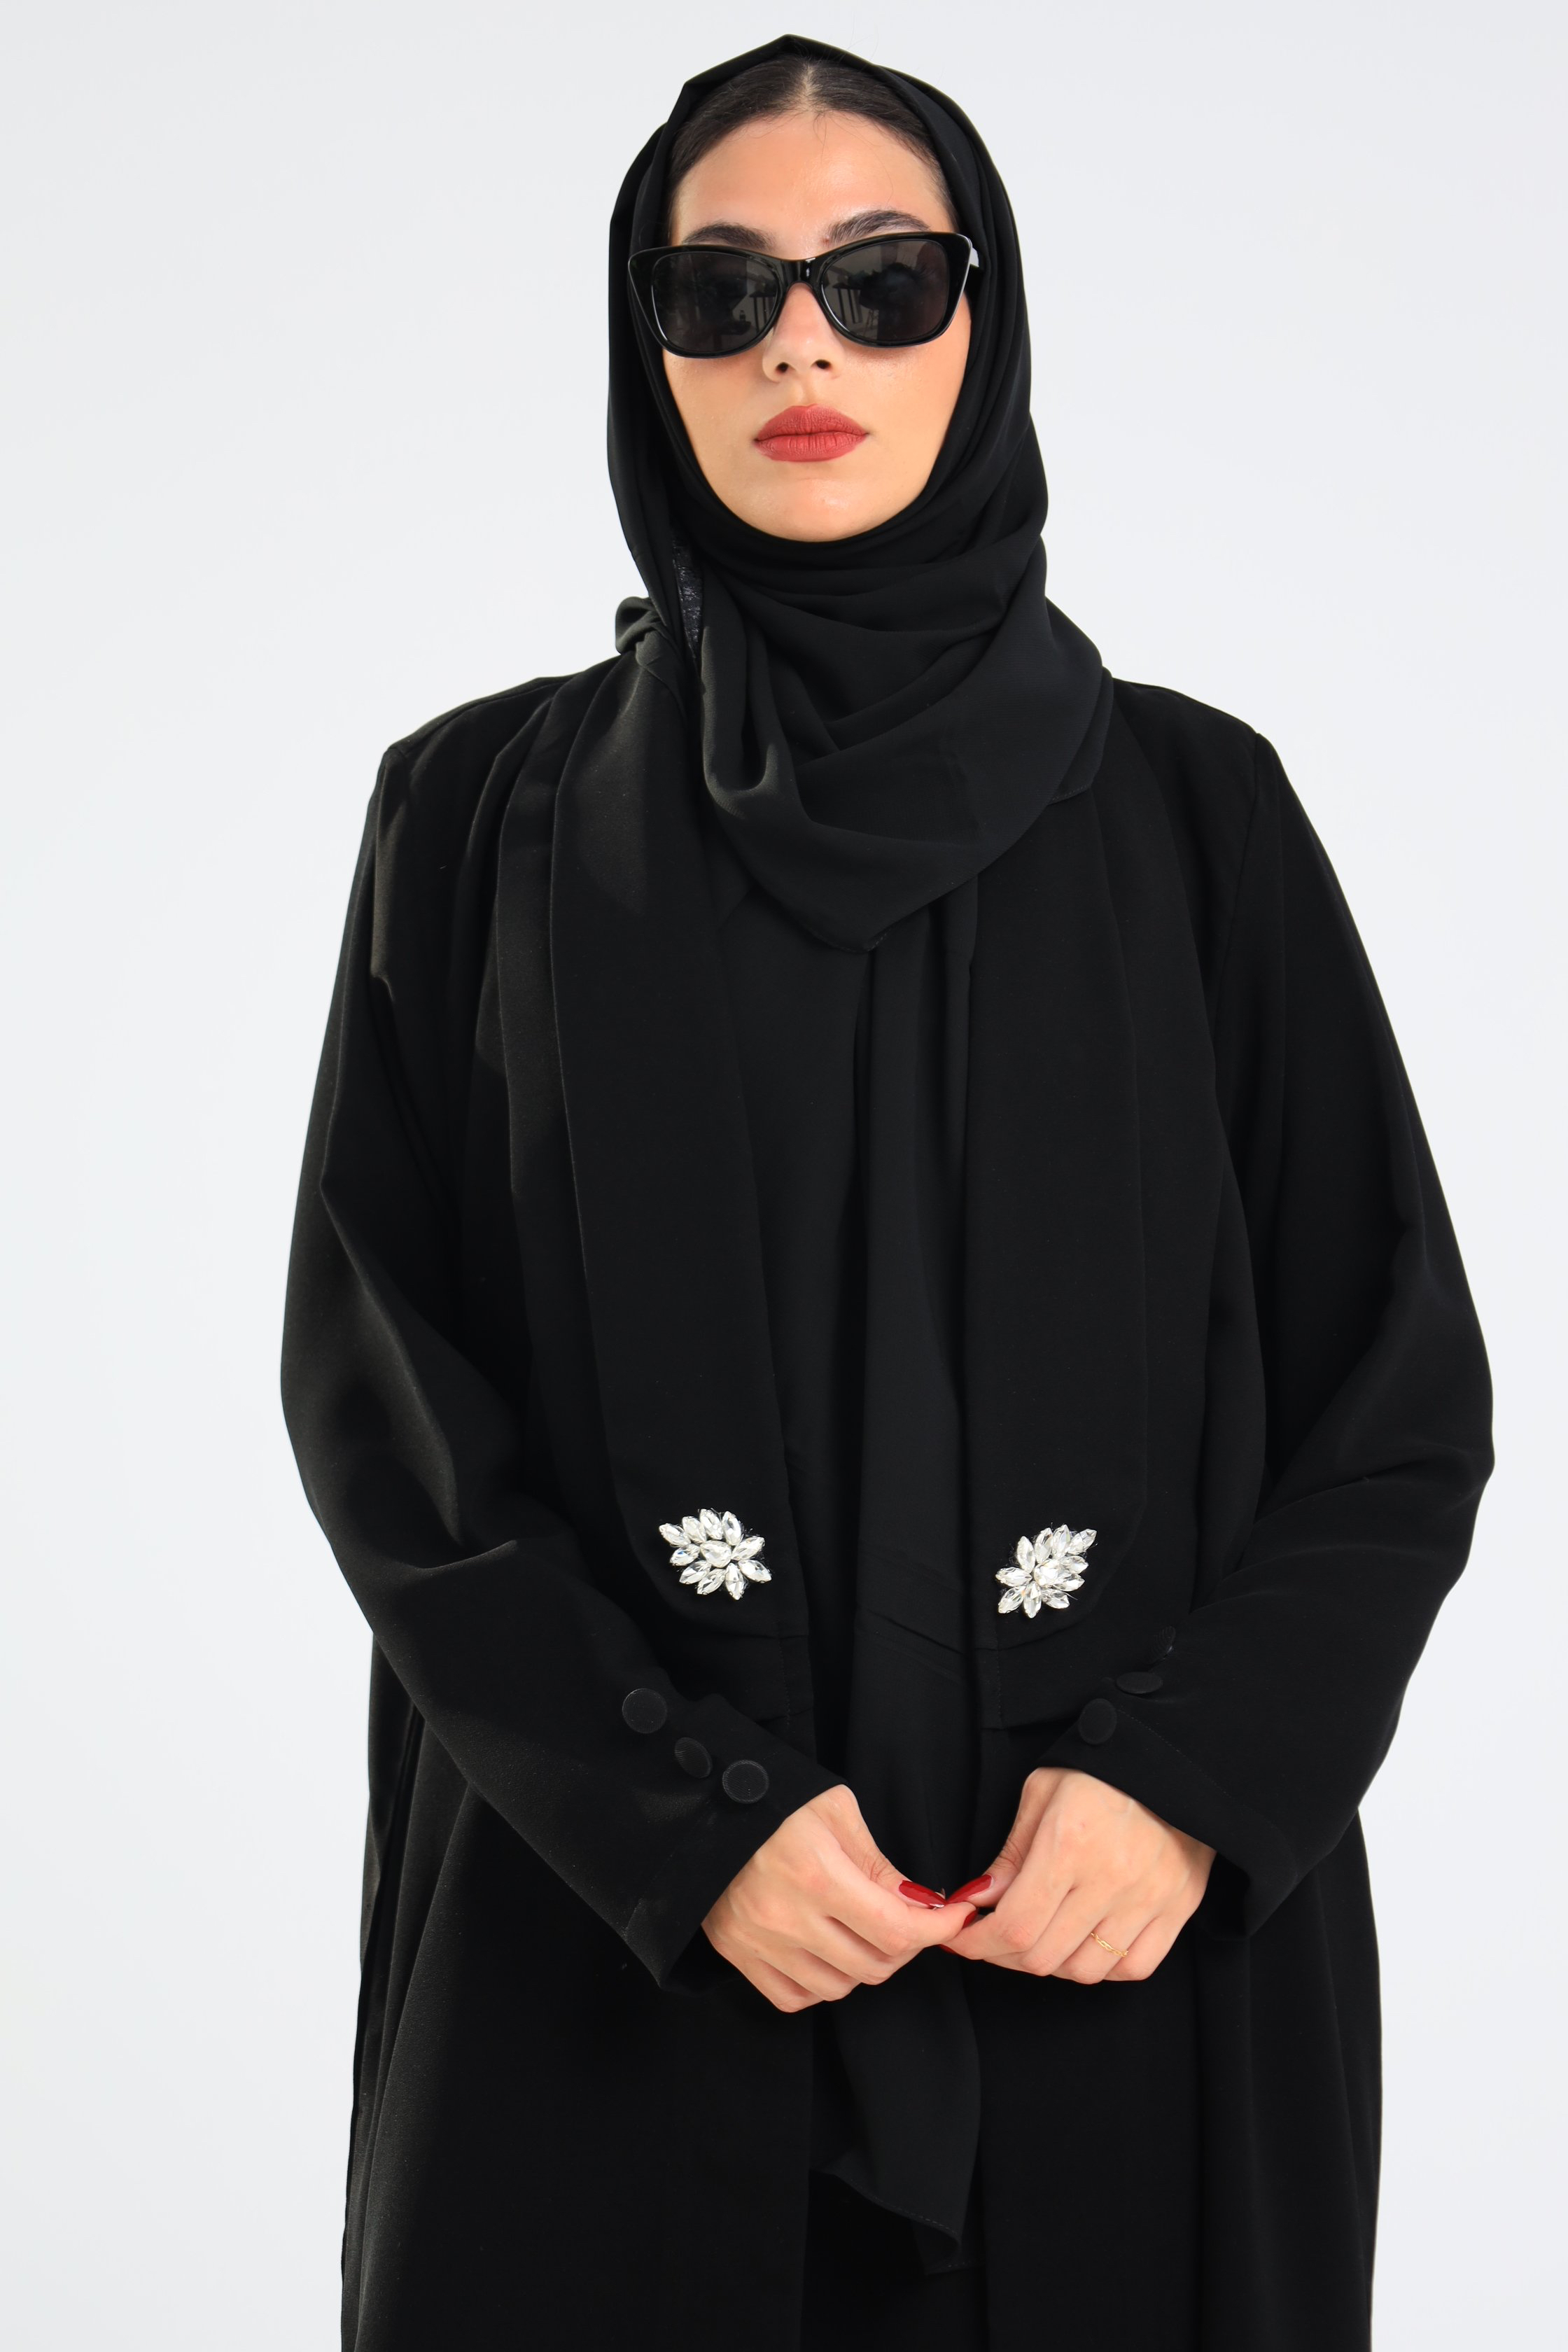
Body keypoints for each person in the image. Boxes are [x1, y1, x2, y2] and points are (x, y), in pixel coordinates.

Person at [281, 35, 1492, 2352]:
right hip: (608, 1959)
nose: (799, 349)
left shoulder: (1198, 820)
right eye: (718, 290)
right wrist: (681, 1820)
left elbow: (1398, 1396)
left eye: (880, 282)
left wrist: (1188, 1788)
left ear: (983, 319)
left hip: (1118, 1952)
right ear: (645, 341)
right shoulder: (473, 825)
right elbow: (389, 1411)